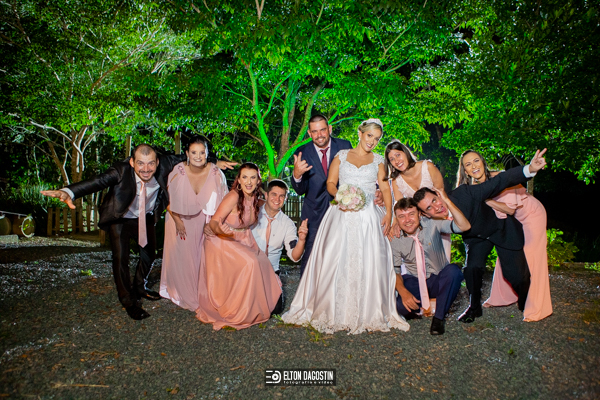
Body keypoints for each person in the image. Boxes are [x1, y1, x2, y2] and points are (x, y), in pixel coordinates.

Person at [41, 144, 235, 320]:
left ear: (157, 162)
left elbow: (191, 156)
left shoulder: (166, 163)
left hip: (145, 216)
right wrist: (69, 192)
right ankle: (129, 301)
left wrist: (215, 161)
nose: (146, 169)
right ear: (132, 162)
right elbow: (97, 181)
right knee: (121, 258)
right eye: (140, 163)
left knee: (149, 253)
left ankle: (140, 286)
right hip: (121, 217)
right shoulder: (120, 171)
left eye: (151, 164)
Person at [282, 119, 410, 334]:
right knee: (335, 258)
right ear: (360, 133)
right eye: (369, 136)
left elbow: (385, 189)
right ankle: (332, 308)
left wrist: (389, 214)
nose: (372, 141)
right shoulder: (341, 155)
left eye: (377, 138)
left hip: (369, 216)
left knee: (368, 259)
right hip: (341, 212)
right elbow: (331, 183)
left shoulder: (379, 161)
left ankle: (367, 310)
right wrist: (341, 196)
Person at [413, 149, 548, 323]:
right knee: (471, 269)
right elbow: (410, 219)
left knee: (515, 275)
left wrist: (530, 168)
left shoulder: (465, 193)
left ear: (439, 195)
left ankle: (523, 297)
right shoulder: (431, 221)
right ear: (426, 214)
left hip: (500, 228)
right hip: (476, 238)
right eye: (429, 208)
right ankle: (474, 307)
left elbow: (502, 180)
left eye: (434, 200)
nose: (436, 207)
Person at [457, 150, 552, 322]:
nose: (474, 166)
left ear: (483, 162)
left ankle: (533, 304)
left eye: (476, 160)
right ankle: (503, 297)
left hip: (529, 214)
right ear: (465, 170)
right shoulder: (469, 188)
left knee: (531, 257)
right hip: (507, 223)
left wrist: (485, 199)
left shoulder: (498, 177)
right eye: (468, 164)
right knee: (505, 261)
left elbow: (510, 210)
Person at [196, 163, 282, 330]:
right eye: (245, 177)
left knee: (263, 262)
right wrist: (219, 230)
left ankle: (265, 304)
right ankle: (242, 311)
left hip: (244, 237)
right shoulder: (233, 196)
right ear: (239, 180)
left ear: (258, 180)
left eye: (252, 177)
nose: (248, 182)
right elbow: (214, 221)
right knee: (250, 263)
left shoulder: (255, 198)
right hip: (223, 239)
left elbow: (269, 204)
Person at [160, 136, 229, 311]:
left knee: (202, 258)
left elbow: (224, 201)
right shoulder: (177, 171)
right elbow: (167, 200)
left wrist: (212, 223)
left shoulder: (216, 173)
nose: (198, 156)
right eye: (194, 152)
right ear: (187, 153)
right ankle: (186, 294)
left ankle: (202, 293)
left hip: (204, 221)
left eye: (202, 152)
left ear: (207, 153)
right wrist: (177, 220)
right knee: (183, 258)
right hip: (178, 220)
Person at [390, 195, 470, 335]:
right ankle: (424, 307)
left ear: (419, 214)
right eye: (401, 216)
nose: (407, 220)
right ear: (396, 219)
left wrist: (447, 201)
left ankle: (438, 318)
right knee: (399, 306)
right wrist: (403, 292)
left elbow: (463, 227)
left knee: (453, 271)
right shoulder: (395, 239)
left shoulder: (432, 223)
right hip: (415, 280)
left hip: (438, 279)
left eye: (411, 214)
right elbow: (395, 271)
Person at [291, 114, 352, 276]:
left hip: (342, 211)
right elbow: (300, 190)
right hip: (314, 214)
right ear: (309, 133)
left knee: (342, 257)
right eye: (315, 131)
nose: (319, 135)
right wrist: (297, 175)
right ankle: (306, 292)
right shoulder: (302, 153)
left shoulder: (345, 146)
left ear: (329, 129)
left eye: (323, 130)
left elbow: (356, 172)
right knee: (311, 259)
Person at [383, 140, 450, 258]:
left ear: (405, 152)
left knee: (442, 257)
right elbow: (399, 204)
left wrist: (446, 215)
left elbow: (441, 193)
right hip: (419, 225)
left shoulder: (427, 166)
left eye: (398, 155)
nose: (396, 161)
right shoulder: (396, 180)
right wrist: (395, 223)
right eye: (392, 159)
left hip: (439, 217)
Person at [251, 179, 308, 275]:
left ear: (286, 199)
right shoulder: (252, 214)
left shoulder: (288, 224)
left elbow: (295, 257)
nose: (277, 199)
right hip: (249, 269)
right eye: (274, 194)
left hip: (272, 273)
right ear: (266, 195)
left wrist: (302, 240)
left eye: (281, 196)